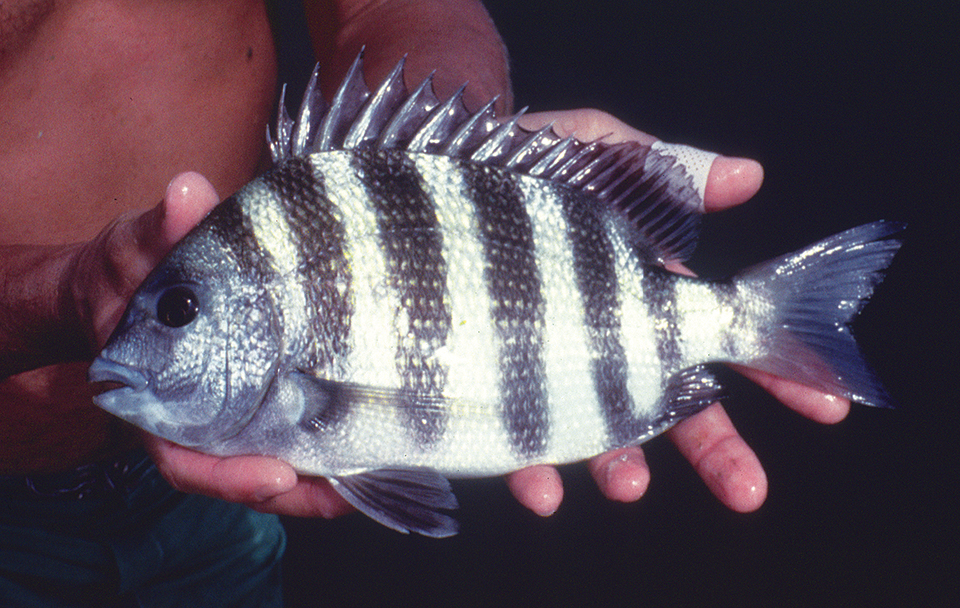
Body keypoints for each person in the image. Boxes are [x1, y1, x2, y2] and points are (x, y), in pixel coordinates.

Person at [0, 0, 852, 604]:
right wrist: (63, 293)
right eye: (177, 312)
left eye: (180, 313)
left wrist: (454, 154)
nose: (152, 331)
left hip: (215, 531)